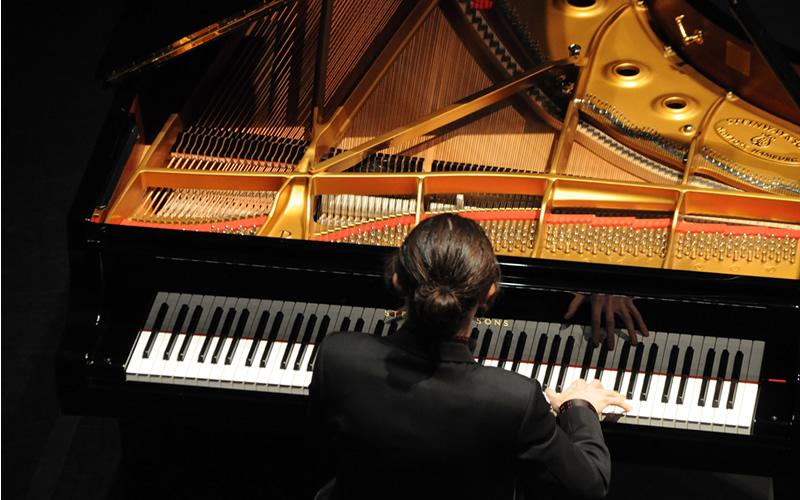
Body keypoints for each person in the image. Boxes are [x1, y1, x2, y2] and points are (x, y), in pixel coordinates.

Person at [308, 213, 632, 500]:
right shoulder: (515, 399)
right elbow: (589, 487)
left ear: (396, 279)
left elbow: (324, 448)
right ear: (490, 292)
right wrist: (579, 408)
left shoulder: (337, 356)